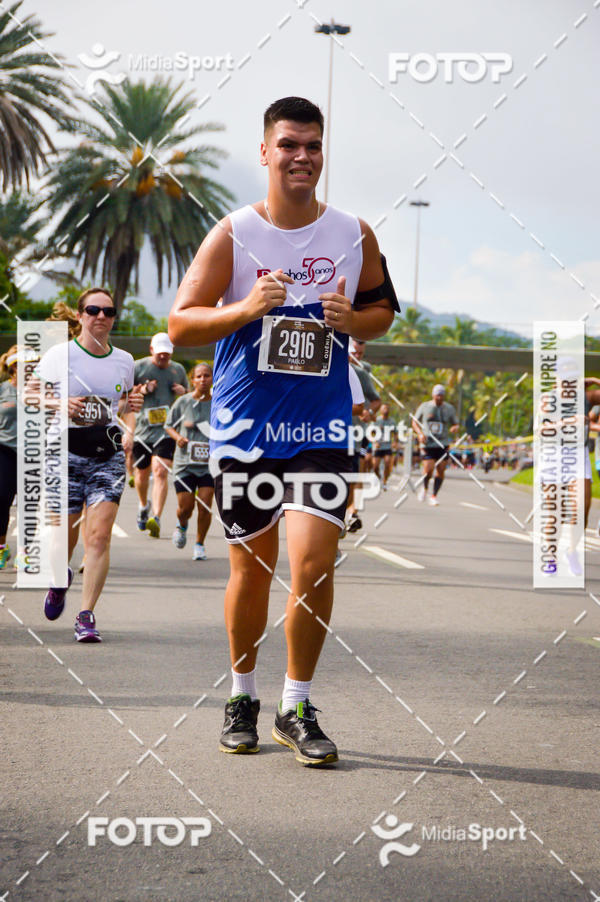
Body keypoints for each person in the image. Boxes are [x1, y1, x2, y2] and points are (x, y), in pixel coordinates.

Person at [169, 96, 398, 766]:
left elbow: (381, 307)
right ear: (265, 152)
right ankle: (242, 693)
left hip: (321, 427)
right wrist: (244, 308)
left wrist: (353, 322)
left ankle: (295, 704)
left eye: (314, 146)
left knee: (315, 562)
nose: (303, 157)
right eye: (290, 145)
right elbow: (182, 322)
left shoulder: (355, 234)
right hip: (245, 432)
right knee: (252, 568)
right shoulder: (235, 233)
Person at [39, 287, 142, 642]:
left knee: (98, 537)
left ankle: (86, 615)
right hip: (63, 453)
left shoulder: (125, 360)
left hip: (108, 456)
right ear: (80, 315)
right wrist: (60, 404)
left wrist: (130, 424)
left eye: (109, 311)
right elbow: (31, 392)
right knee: (61, 538)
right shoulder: (60, 354)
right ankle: (58, 580)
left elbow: (125, 405)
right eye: (94, 310)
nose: (102, 316)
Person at [133, 333, 188, 538]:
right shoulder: (139, 367)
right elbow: (124, 394)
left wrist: (183, 391)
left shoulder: (178, 369)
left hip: (166, 430)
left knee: (160, 470)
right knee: (141, 473)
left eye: (167, 354)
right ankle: (142, 504)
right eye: (160, 354)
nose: (163, 358)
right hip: (142, 430)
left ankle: (156, 517)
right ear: (151, 350)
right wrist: (143, 390)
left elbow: (190, 395)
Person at [165, 362, 214, 560]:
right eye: (199, 376)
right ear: (193, 380)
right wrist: (178, 438)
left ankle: (200, 544)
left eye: (207, 376)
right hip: (185, 463)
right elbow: (168, 425)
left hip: (209, 465)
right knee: (186, 508)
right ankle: (182, 525)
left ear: (212, 379)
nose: (203, 380)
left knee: (205, 505)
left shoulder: (219, 402)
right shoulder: (183, 402)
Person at [413, 384, 459, 506]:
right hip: (428, 443)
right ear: (433, 395)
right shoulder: (425, 406)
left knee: (441, 470)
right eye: (437, 394)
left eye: (441, 395)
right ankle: (425, 488)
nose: (439, 397)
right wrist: (420, 434)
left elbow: (455, 423)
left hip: (443, 443)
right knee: (428, 469)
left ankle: (434, 495)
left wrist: (454, 428)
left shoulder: (449, 409)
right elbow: (414, 422)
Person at [0, 346, 18, 569]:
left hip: (33, 451)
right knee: (1, 500)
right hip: (4, 449)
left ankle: (26, 552)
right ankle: (2, 548)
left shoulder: (41, 390)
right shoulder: (2, 389)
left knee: (30, 503)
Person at [373, 403, 396, 491]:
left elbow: (396, 433)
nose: (386, 409)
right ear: (381, 410)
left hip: (387, 446)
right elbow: (371, 433)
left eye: (387, 408)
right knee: (375, 466)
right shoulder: (376, 421)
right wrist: (375, 442)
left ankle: (385, 481)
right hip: (378, 447)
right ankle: (379, 478)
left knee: (387, 463)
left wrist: (395, 442)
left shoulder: (392, 421)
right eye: (384, 408)